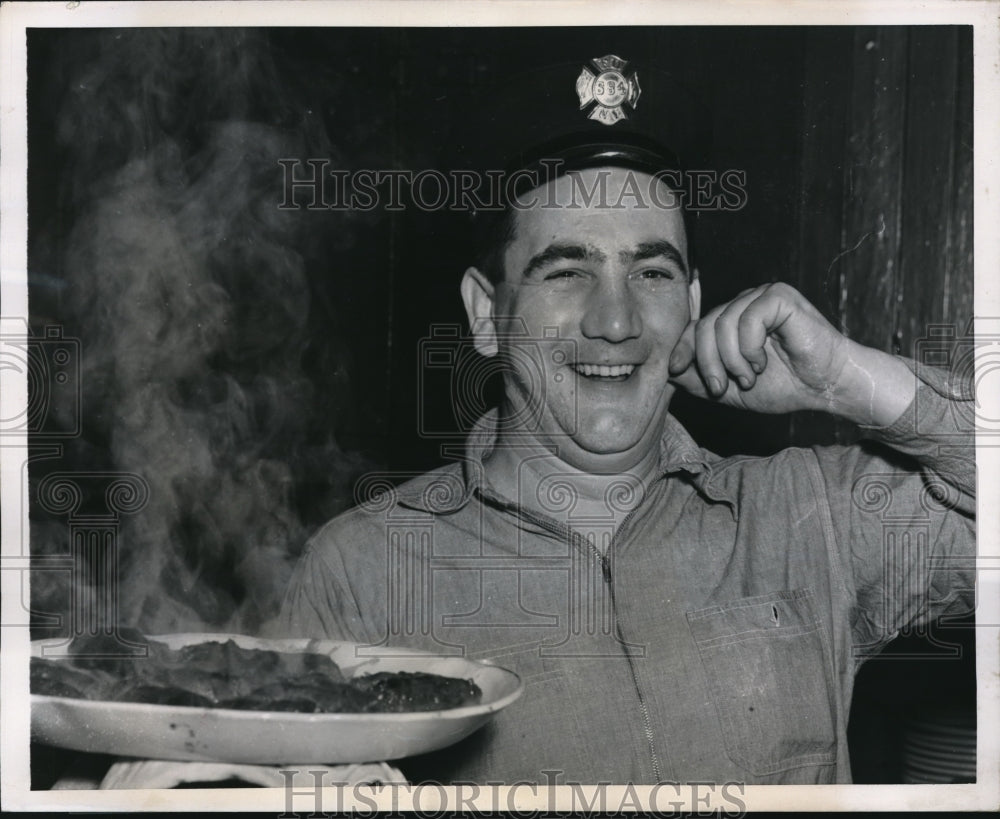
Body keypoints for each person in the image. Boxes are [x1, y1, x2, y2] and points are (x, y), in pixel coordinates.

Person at [275, 56, 975, 785]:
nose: (616, 320)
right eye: (567, 270)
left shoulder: (810, 517)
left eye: (652, 272)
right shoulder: (362, 572)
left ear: (694, 302)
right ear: (487, 313)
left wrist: (851, 379)